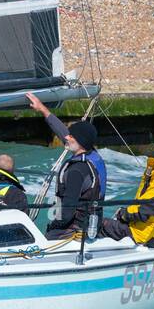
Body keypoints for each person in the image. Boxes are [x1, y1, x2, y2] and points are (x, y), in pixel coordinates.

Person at [26, 93, 103, 239]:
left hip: (75, 230)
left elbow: (67, 212)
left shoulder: (77, 170)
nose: (66, 137)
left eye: (71, 136)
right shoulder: (88, 154)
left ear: (80, 142)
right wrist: (43, 109)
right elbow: (66, 134)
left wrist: (53, 227)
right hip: (88, 224)